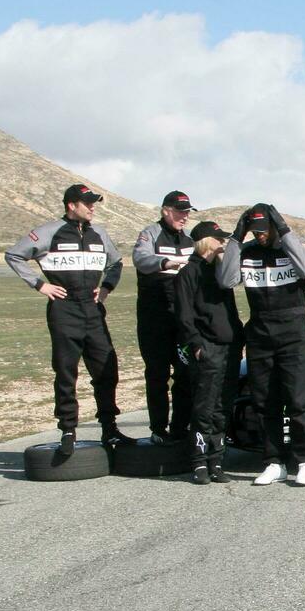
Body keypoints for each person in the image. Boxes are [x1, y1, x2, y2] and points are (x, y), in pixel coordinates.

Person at [4, 183, 124, 455]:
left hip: (92, 311)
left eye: (94, 203)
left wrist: (106, 288)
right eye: (88, 203)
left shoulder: (99, 234)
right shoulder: (48, 232)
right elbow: (13, 254)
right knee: (66, 372)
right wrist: (39, 284)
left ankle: (110, 428)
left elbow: (116, 263)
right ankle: (68, 430)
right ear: (71, 205)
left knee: (106, 370)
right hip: (64, 309)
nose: (93, 207)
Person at [217, 203, 305, 486]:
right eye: (255, 231)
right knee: (264, 403)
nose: (260, 236)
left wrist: (285, 231)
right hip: (260, 336)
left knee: (298, 402)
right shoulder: (246, 252)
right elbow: (226, 280)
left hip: (294, 336)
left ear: (274, 227)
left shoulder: (291, 248)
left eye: (264, 230)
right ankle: (274, 462)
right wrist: (236, 238)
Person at [173, 221, 244, 485]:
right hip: (207, 349)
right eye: (218, 239)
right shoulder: (188, 274)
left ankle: (216, 461)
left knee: (222, 407)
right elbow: (183, 315)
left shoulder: (219, 272)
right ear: (205, 241)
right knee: (204, 407)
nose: (222, 243)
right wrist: (196, 345)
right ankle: (198, 463)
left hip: (230, 348)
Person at [132, 191, 197, 445]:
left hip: (181, 318)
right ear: (166, 211)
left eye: (188, 211)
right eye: (180, 211)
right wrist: (166, 262)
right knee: (157, 374)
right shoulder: (150, 233)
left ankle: (181, 428)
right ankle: (159, 429)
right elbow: (141, 259)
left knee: (186, 373)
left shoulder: (190, 239)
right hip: (154, 317)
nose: (185, 216)